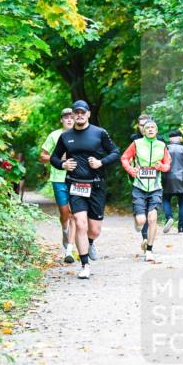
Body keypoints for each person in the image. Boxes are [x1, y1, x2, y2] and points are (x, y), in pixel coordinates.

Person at [49, 100, 120, 279]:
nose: (79, 115)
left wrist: (101, 162)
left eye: (83, 112)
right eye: (76, 112)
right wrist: (63, 164)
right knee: (80, 223)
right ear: (72, 115)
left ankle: (90, 242)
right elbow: (53, 158)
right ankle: (85, 265)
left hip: (96, 184)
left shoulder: (99, 133)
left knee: (94, 230)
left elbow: (115, 152)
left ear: (88, 114)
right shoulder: (65, 137)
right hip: (75, 184)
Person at [121, 118, 171, 262]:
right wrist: (131, 170)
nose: (150, 129)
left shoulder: (162, 145)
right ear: (143, 130)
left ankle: (149, 250)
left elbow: (167, 164)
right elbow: (124, 158)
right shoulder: (136, 144)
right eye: (147, 127)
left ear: (156, 131)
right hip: (139, 186)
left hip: (155, 187)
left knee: (153, 218)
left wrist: (161, 167)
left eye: (152, 128)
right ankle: (138, 222)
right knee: (141, 220)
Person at [39, 108, 76, 263]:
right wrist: (56, 158)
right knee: (64, 213)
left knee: (75, 213)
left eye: (71, 117)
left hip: (77, 178)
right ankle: (65, 230)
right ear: (61, 120)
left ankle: (70, 249)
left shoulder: (81, 135)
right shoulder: (54, 135)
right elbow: (42, 156)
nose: (69, 120)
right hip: (58, 178)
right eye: (66, 117)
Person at [161, 130, 183, 234]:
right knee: (182, 203)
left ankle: (169, 218)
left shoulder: (164, 149)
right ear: (180, 138)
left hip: (167, 178)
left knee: (166, 199)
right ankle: (181, 228)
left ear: (170, 139)